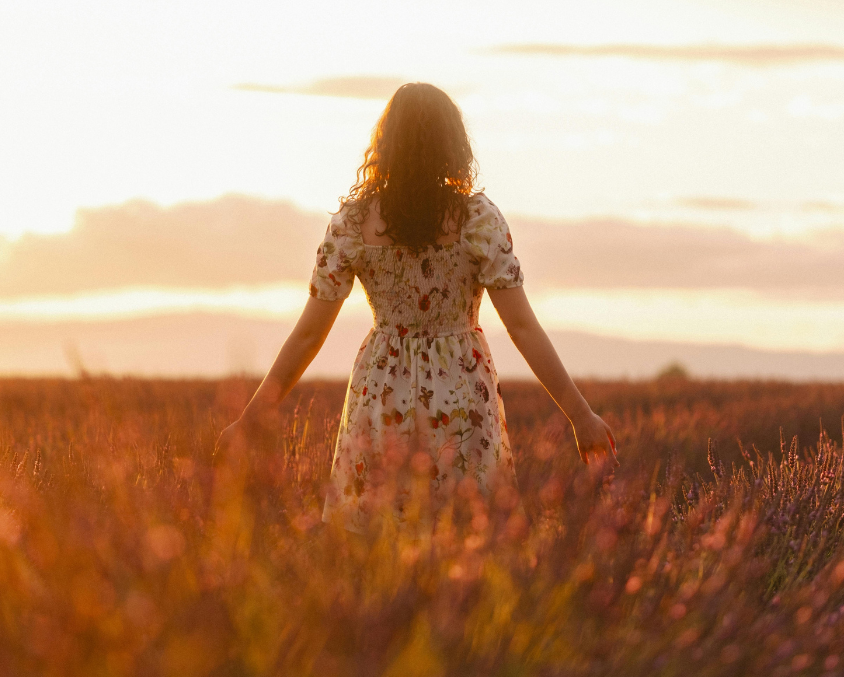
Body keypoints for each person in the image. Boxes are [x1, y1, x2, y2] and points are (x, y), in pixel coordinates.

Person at [216, 83, 616, 532]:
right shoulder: (478, 220)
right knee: (469, 541)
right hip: (463, 393)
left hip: (380, 392)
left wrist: (250, 420)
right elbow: (522, 328)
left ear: (384, 144)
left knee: (373, 544)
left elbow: (308, 335)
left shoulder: (351, 223)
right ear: (454, 145)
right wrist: (580, 416)